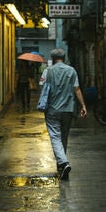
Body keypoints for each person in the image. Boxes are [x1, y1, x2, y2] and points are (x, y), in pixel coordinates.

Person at [39, 48, 87, 180]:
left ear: (53, 59)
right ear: (64, 58)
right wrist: (83, 105)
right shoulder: (71, 71)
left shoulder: (48, 71)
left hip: (52, 109)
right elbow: (76, 89)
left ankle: (63, 162)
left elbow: (42, 86)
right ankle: (61, 163)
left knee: (55, 136)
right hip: (68, 109)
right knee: (64, 136)